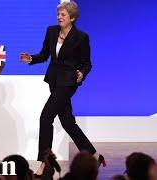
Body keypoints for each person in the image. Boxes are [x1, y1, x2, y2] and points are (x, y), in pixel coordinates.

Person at [20, 1, 105, 177]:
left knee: (46, 117)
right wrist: (31, 59)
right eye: (58, 14)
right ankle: (95, 155)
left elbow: (87, 63)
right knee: (67, 122)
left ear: (72, 18)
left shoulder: (81, 37)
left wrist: (82, 73)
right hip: (54, 80)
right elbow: (44, 55)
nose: (59, 17)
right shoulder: (51, 31)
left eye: (63, 15)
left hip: (68, 83)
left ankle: (44, 162)